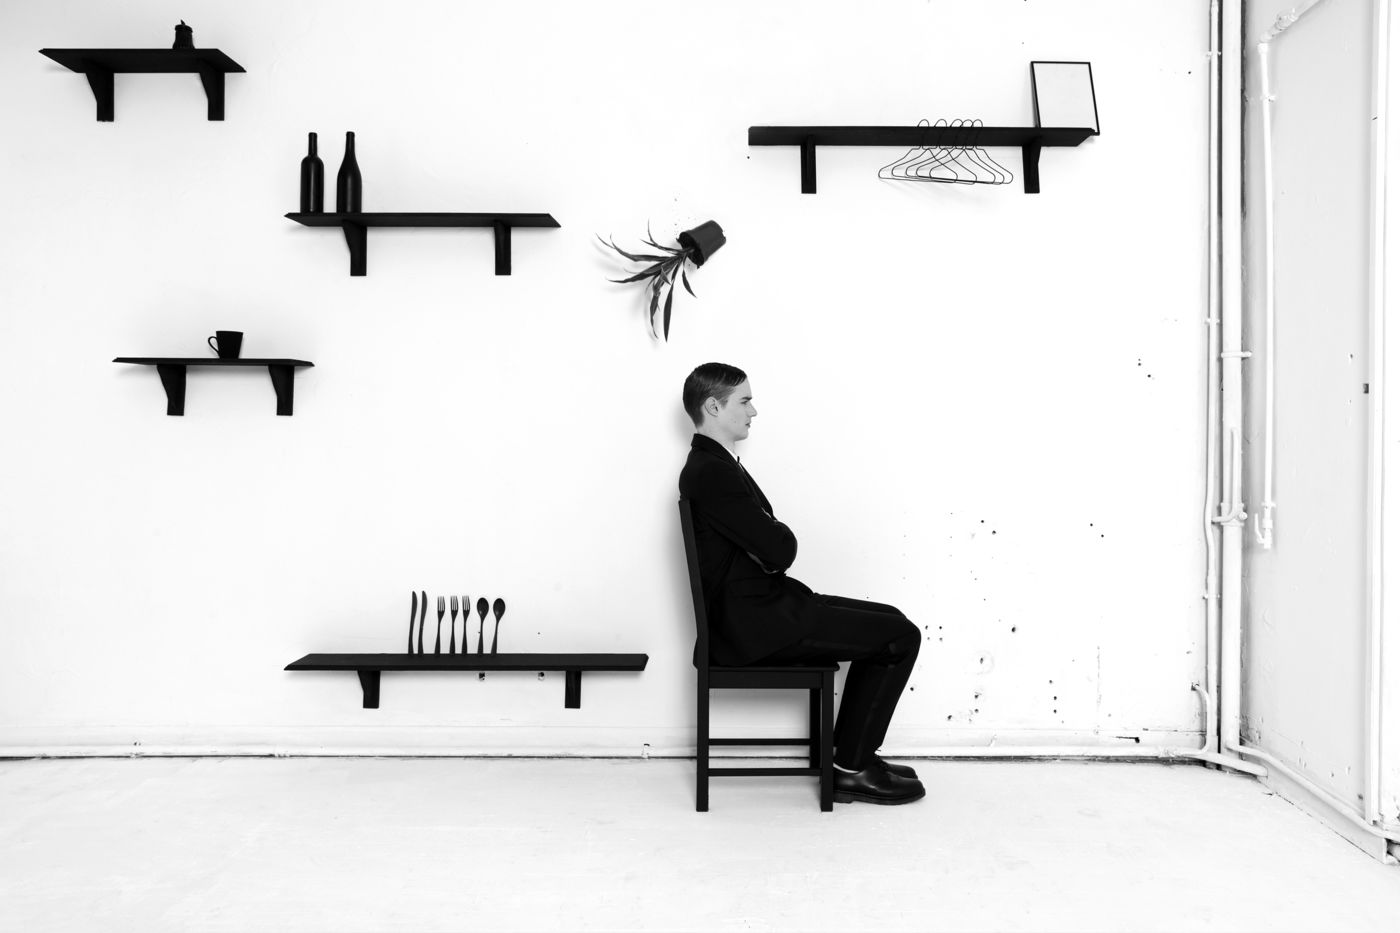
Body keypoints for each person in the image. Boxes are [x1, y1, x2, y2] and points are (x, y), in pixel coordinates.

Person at [678, 362, 925, 805]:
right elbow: (780, 550)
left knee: (892, 620)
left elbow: (767, 548)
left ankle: (852, 756)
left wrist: (768, 544)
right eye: (744, 401)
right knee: (899, 637)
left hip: (768, 608)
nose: (753, 411)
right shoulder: (711, 471)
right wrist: (773, 542)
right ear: (713, 406)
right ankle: (851, 769)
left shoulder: (715, 465)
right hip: (759, 624)